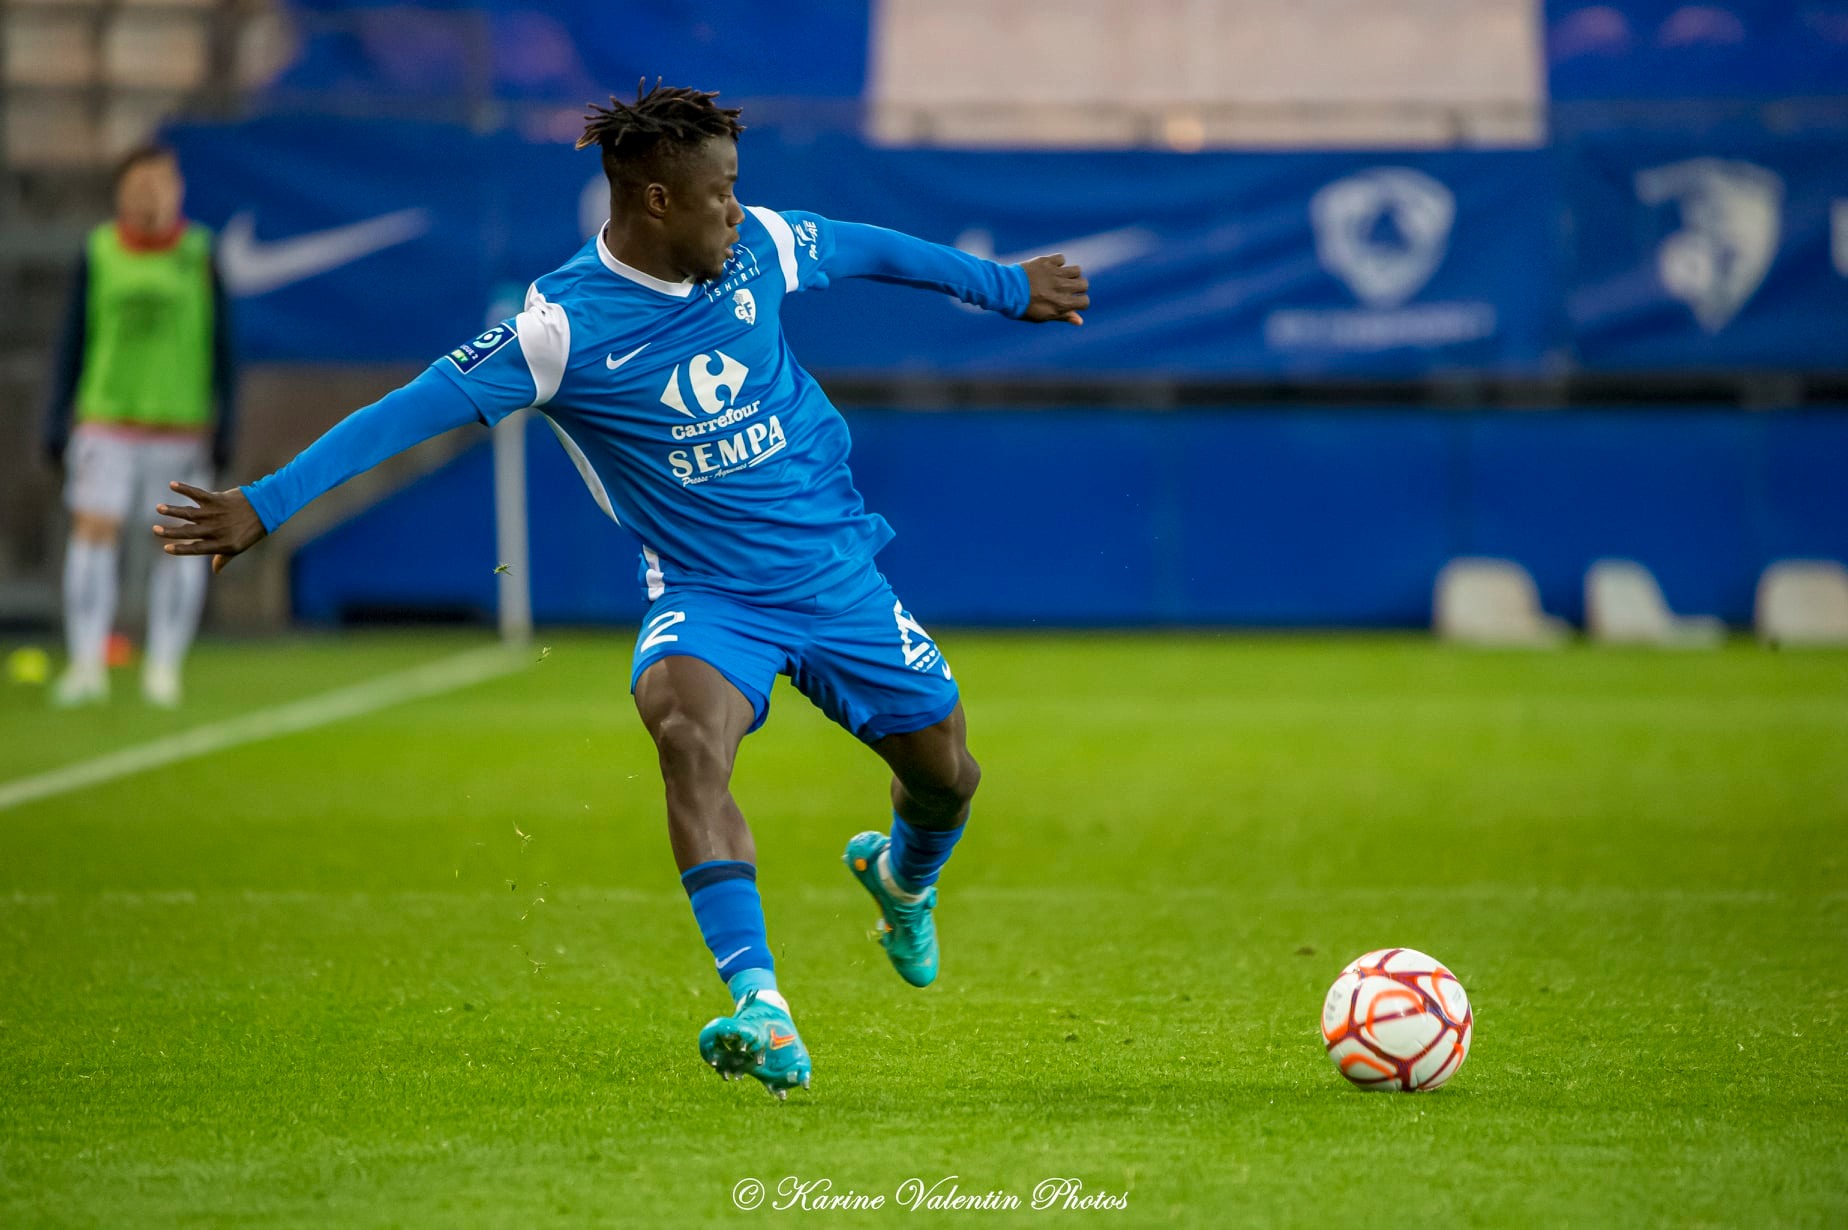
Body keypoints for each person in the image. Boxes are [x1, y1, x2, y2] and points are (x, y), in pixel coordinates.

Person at [152, 84, 1088, 1099]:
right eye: (720, 195)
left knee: (947, 772)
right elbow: (410, 409)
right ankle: (761, 1004)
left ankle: (901, 880)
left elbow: (868, 247)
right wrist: (267, 502)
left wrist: (1004, 286)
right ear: (655, 201)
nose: (738, 211)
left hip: (833, 575)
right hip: (708, 596)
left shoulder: (758, 248)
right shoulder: (560, 330)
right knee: (686, 733)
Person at [43, 143, 238, 709]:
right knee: (93, 530)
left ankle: (164, 667)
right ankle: (86, 664)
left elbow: (224, 345)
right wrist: (55, 415)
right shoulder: (100, 251)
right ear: (121, 192)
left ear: (177, 190)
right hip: (107, 421)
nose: (149, 194)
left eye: (160, 183)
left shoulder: (200, 253)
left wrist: (227, 421)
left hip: (180, 426)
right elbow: (73, 339)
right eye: (139, 185)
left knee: (177, 545)